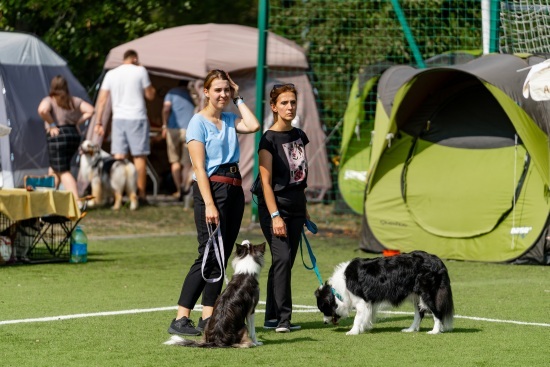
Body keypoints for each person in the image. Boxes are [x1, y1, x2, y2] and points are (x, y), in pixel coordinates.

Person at [167, 69, 260, 336]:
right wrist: (209, 203)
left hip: (233, 191)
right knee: (207, 255)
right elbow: (198, 167)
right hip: (211, 190)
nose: (223, 94)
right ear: (205, 92)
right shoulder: (198, 122)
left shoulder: (230, 118)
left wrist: (239, 97)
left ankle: (208, 318)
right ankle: (181, 317)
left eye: (226, 90)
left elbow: (253, 125)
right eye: (218, 90)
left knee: (220, 258)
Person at [257, 83, 309, 333]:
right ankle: (284, 320)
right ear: (274, 107)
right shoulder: (268, 139)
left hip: (298, 207)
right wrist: (275, 216)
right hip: (275, 209)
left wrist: (305, 209)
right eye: (285, 103)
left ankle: (270, 317)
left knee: (283, 263)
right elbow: (265, 182)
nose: (290, 107)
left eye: (293, 102)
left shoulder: (299, 135)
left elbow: (300, 176)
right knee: (283, 258)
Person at [94, 49, 155, 205]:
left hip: (118, 118)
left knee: (119, 158)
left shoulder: (111, 74)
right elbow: (150, 95)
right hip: (137, 117)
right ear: (134, 58)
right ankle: (140, 195)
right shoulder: (140, 70)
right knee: (139, 156)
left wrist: (99, 122)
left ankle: (118, 196)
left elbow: (102, 100)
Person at [37, 75, 95, 205]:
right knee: (54, 170)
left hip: (57, 137)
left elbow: (42, 110)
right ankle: (47, 201)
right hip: (73, 135)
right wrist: (77, 122)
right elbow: (91, 110)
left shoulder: (50, 100)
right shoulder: (73, 100)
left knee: (63, 171)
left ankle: (76, 202)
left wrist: (52, 124)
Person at [161, 80, 195, 200]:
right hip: (189, 130)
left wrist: (164, 125)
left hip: (172, 130)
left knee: (174, 161)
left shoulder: (171, 92)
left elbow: (166, 109)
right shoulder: (193, 94)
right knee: (186, 163)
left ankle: (178, 190)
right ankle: (185, 188)